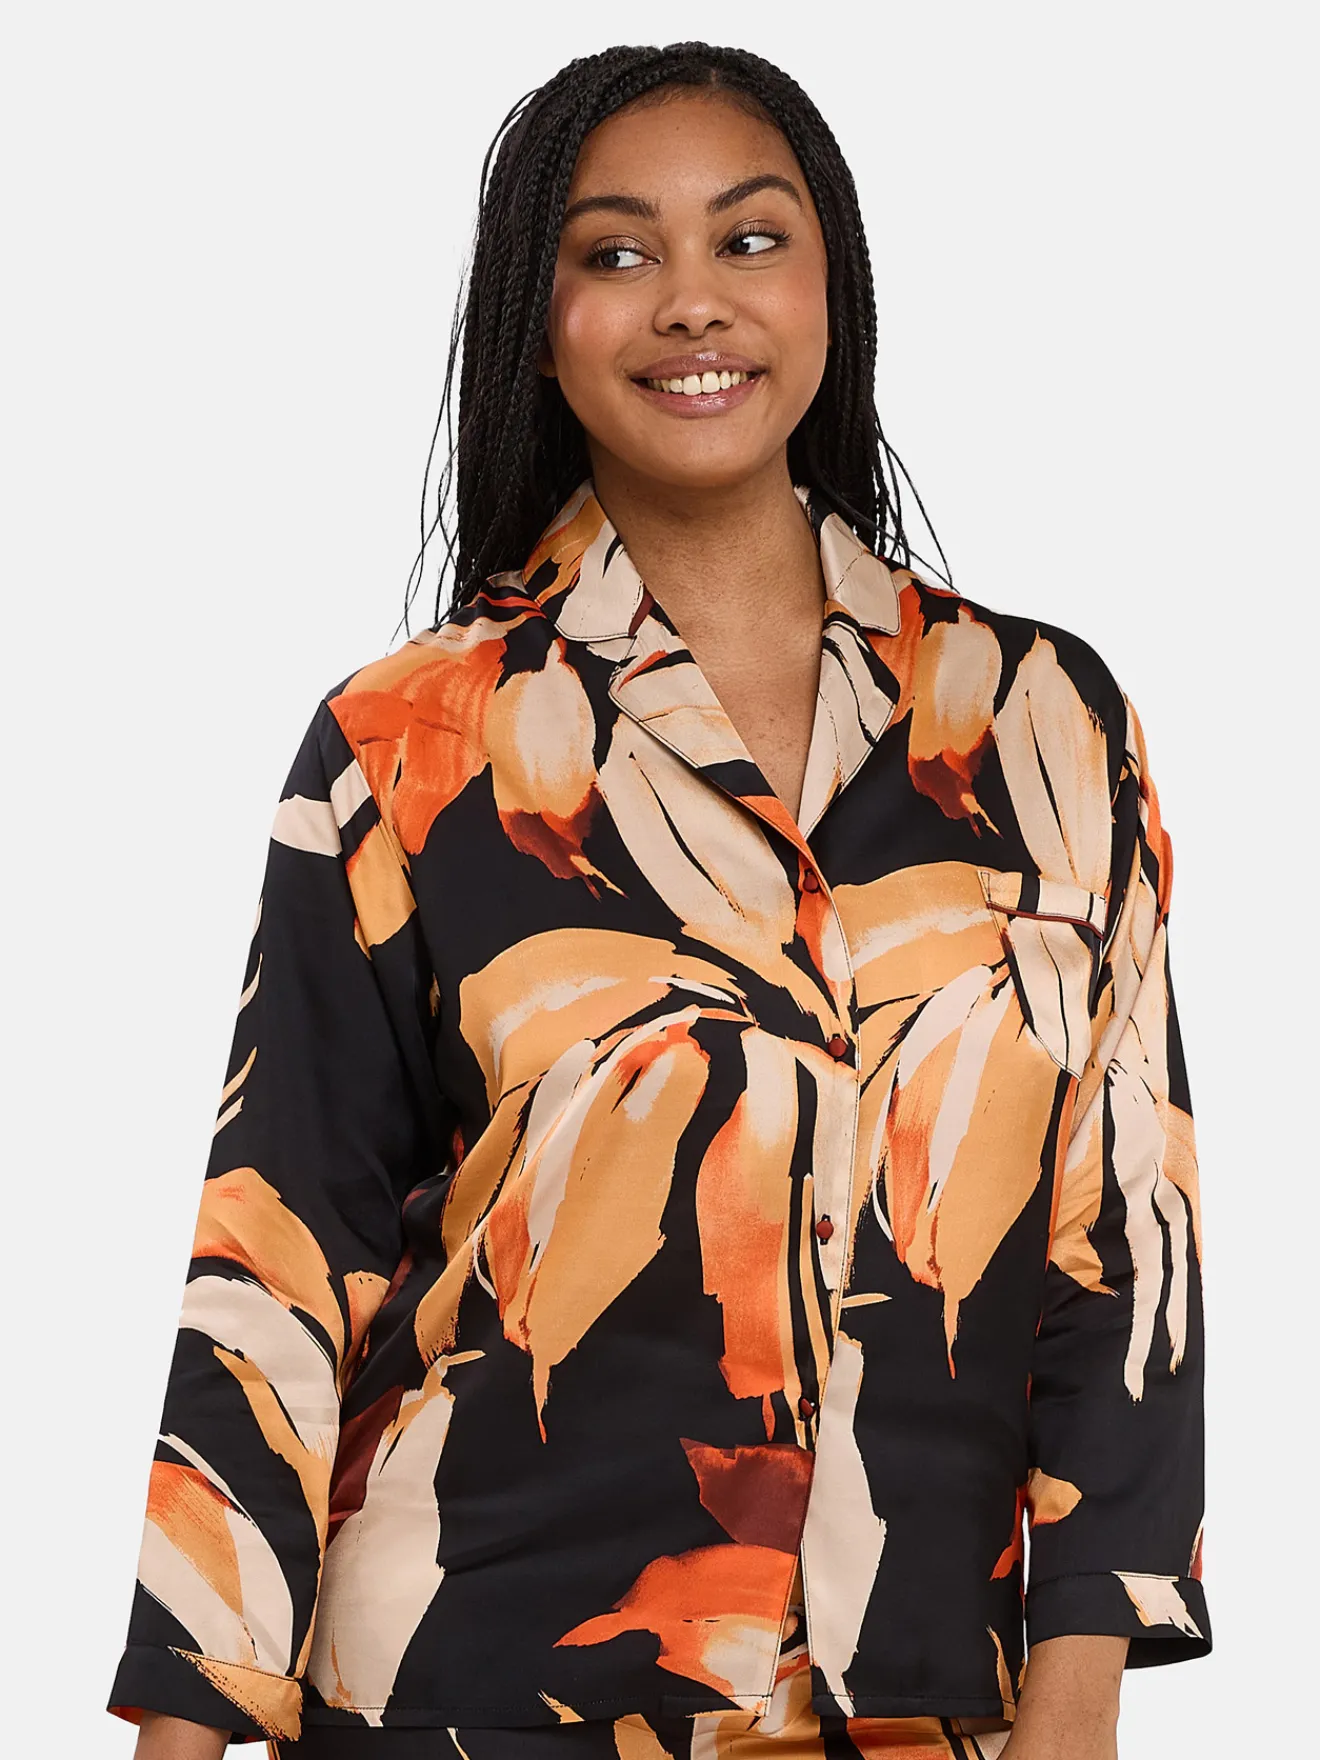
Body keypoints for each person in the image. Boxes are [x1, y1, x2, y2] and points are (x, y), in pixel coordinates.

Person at [106, 40, 1209, 1760]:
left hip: (930, 1703)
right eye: (617, 253)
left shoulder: (1045, 725)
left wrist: (1079, 1703)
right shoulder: (408, 746)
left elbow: (1124, 1251)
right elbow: (281, 1258)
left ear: (832, 287)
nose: (693, 300)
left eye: (750, 240)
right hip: (475, 1699)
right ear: (539, 321)